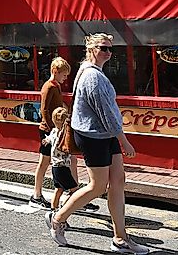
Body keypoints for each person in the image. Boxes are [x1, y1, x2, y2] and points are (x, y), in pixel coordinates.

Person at [45, 34, 148, 254]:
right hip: (94, 136)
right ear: (91, 49)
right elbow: (106, 113)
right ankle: (58, 217)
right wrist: (124, 141)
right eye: (103, 48)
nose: (109, 53)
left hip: (104, 134)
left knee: (118, 180)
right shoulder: (92, 76)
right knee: (98, 186)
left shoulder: (93, 72)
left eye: (111, 49)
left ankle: (120, 238)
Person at [29, 57, 98, 211]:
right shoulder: (49, 87)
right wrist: (52, 128)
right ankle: (37, 195)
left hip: (58, 128)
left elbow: (57, 104)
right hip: (50, 130)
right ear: (55, 72)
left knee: (70, 160)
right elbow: (45, 109)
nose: (65, 78)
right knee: (46, 162)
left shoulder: (55, 86)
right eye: (64, 75)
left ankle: (74, 195)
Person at [40, 107, 77, 212]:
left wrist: (46, 140)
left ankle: (53, 210)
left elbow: (49, 139)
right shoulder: (64, 134)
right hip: (63, 166)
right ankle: (62, 210)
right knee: (74, 191)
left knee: (59, 189)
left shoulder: (54, 131)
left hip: (55, 166)